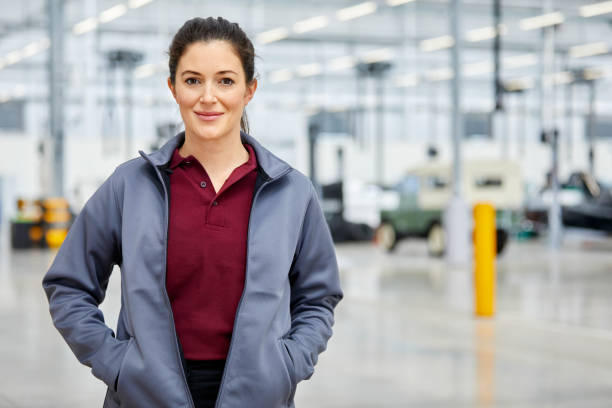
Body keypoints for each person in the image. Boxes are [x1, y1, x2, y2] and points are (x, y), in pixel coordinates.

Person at [42, 16, 342, 408]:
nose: (208, 96)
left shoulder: (292, 192)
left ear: (250, 90)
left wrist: (287, 364)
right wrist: (117, 364)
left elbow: (318, 297)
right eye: (192, 80)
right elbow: (68, 286)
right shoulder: (129, 186)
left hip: (258, 396)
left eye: (226, 80)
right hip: (146, 396)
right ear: (173, 88)